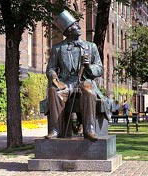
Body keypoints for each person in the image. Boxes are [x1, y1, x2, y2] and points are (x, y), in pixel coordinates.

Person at [45, 10, 110, 141]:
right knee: (53, 91)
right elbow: (51, 68)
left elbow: (100, 69)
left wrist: (88, 67)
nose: (79, 27)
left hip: (84, 81)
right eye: (75, 25)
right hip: (65, 82)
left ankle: (89, 129)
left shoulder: (90, 47)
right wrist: (53, 77)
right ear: (68, 30)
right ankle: (56, 129)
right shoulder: (58, 48)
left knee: (88, 89)